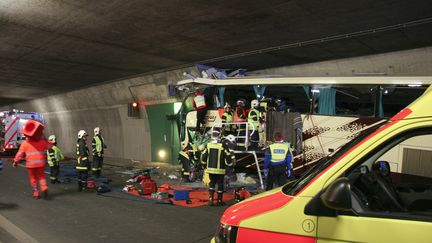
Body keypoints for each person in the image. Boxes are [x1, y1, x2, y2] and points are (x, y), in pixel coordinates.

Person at [13, 120, 51, 199]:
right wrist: (45, 138)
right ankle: (44, 188)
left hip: (31, 165)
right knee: (41, 177)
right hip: (40, 164)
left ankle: (36, 192)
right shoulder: (41, 142)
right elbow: (50, 146)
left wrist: (15, 162)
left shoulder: (25, 144)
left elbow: (19, 154)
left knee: (33, 179)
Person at [201, 131, 235, 206]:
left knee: (212, 183)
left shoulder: (208, 145)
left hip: (210, 169)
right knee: (220, 184)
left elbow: (204, 156)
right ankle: (219, 200)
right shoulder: (223, 145)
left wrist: (203, 165)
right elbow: (228, 156)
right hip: (220, 170)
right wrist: (230, 165)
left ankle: (211, 199)